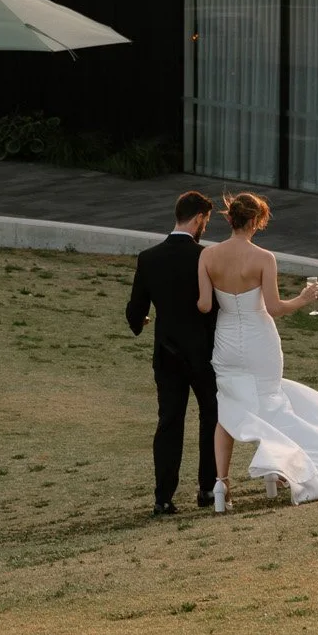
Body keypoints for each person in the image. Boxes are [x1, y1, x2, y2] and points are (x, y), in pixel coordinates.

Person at [197, 191, 318, 511]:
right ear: (255, 221)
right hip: (260, 341)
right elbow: (274, 307)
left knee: (227, 411)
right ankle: (278, 470)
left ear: (230, 219)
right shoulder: (263, 258)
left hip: (226, 341)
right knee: (269, 404)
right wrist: (304, 298)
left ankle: (221, 485)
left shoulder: (207, 256)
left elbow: (203, 305)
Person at [125, 189, 218, 516]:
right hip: (204, 353)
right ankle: (207, 489)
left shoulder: (149, 258)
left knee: (169, 423)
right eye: (205, 220)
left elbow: (135, 311)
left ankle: (163, 497)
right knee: (211, 418)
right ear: (197, 219)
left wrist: (143, 321)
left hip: (166, 353)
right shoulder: (205, 257)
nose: (205, 226)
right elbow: (214, 308)